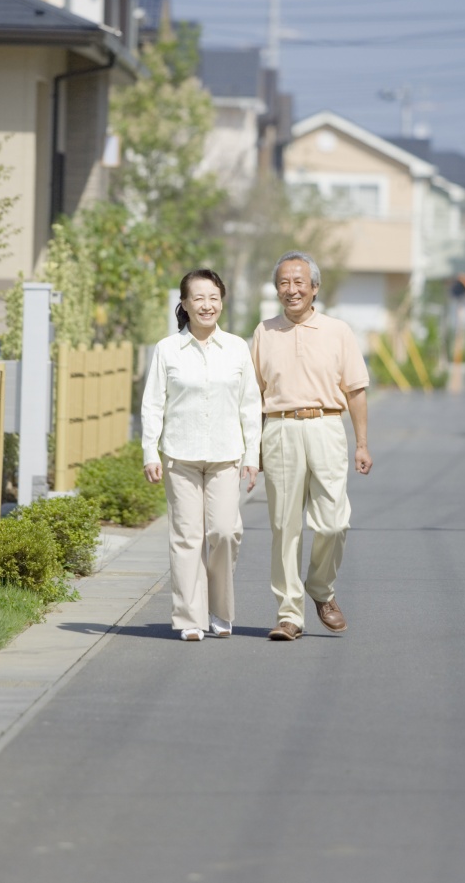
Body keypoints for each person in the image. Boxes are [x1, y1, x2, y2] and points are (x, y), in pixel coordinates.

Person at [251, 251, 373, 641]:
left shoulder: (338, 331)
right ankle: (290, 614)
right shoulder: (263, 332)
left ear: (314, 288)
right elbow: (252, 396)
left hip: (326, 426)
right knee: (285, 526)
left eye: (299, 282)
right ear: (276, 289)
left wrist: (362, 444)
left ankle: (320, 588)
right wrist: (251, 448)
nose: (291, 290)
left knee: (334, 521)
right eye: (284, 283)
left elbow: (355, 390)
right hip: (279, 429)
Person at [142, 269, 262, 642]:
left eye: (213, 297)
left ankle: (220, 611)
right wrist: (150, 450)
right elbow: (152, 404)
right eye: (198, 298)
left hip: (227, 455)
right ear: (185, 304)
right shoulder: (167, 349)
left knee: (225, 532)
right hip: (181, 455)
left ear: (221, 301)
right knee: (187, 537)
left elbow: (250, 404)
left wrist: (252, 456)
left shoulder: (237, 347)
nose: (206, 305)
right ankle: (189, 618)